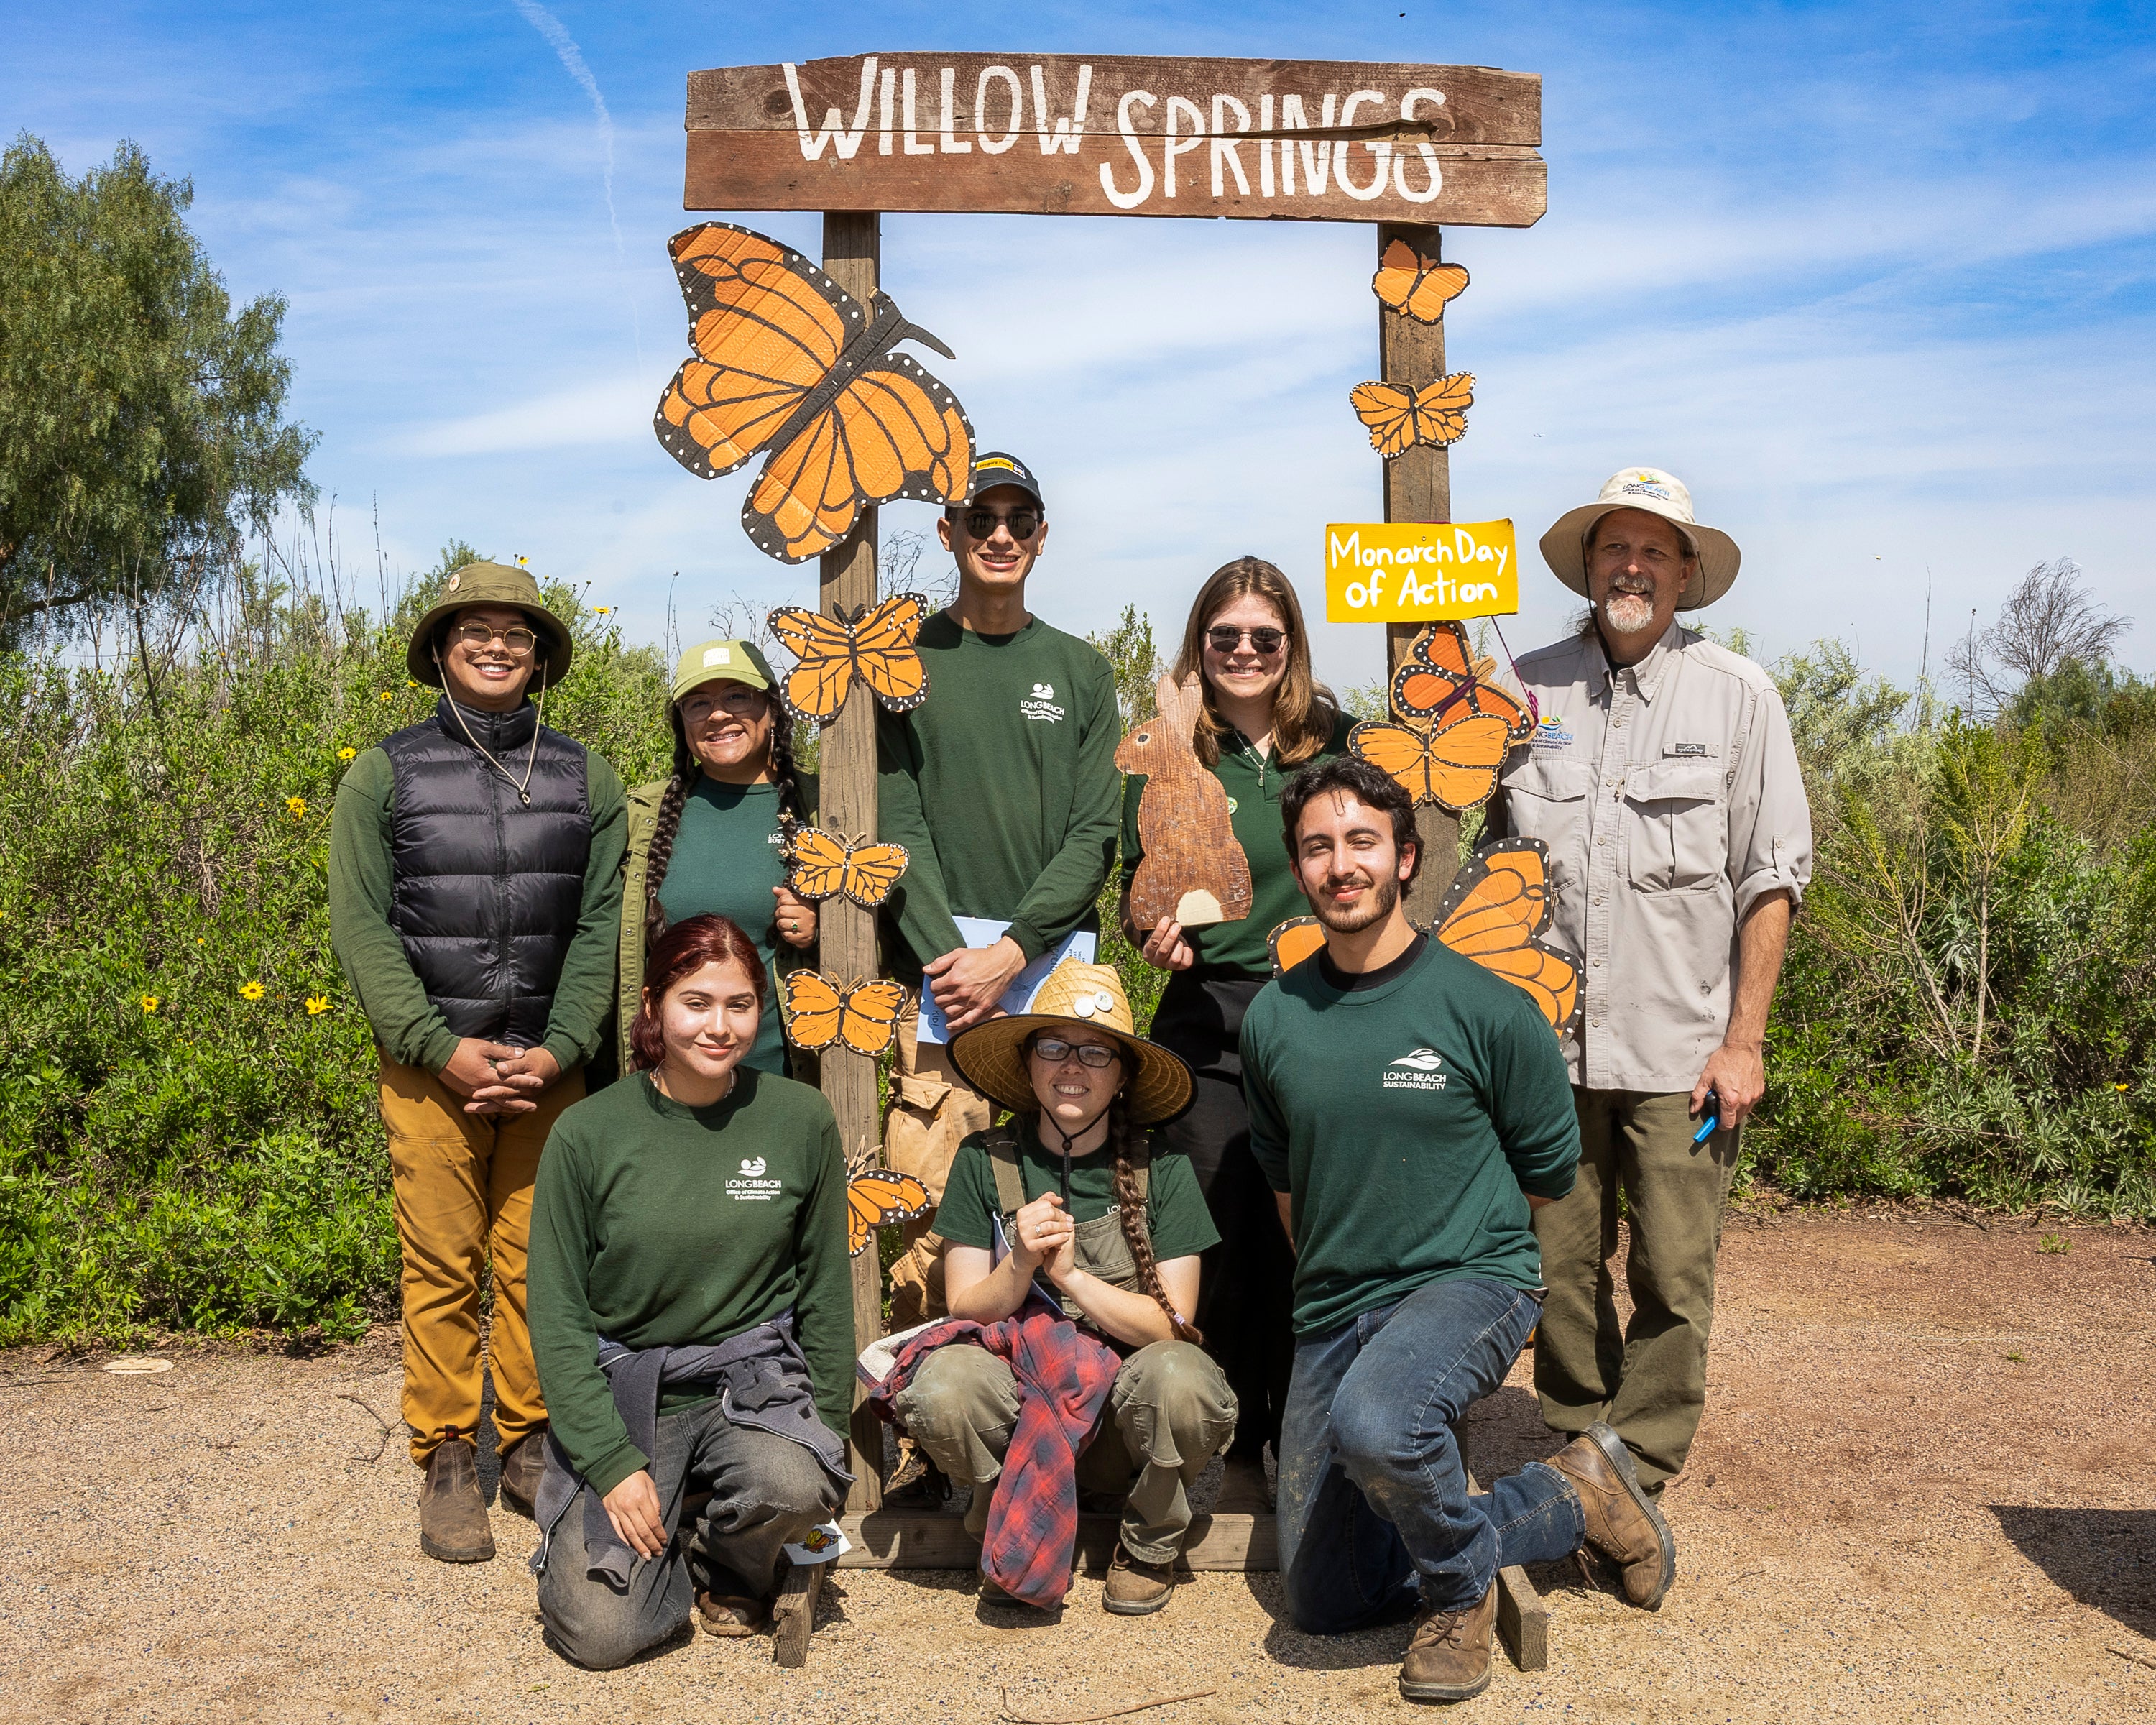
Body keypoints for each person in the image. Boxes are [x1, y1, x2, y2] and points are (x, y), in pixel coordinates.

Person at [1245, 756, 1674, 1703]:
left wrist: (1474, 1267)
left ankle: (1457, 1593)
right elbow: (1286, 1183)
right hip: (1333, 1299)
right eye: (1319, 847)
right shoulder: (1275, 1017)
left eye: (1362, 842)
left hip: (1467, 1280)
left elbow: (1547, 1177)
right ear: (1300, 867)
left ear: (1404, 858)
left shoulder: (1486, 1010)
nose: (1341, 864)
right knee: (1323, 1599)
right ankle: (1574, 1495)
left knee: (1383, 1420)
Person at [1485, 467, 1812, 1517]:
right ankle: (1583, 1439)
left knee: (1675, 1275)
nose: (1631, 567)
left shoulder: (1738, 697)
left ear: (1686, 573)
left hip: (1685, 1055)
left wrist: (1745, 1041)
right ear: (1589, 567)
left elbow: (1772, 876)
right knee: (1560, 1267)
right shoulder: (1522, 692)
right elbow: (1477, 866)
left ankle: (1638, 1469)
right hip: (1547, 1050)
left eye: (1653, 551)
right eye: (1614, 549)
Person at [330, 561, 626, 1564]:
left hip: (550, 1069)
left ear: (540, 656)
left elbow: (599, 928)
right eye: (475, 631)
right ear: (441, 652)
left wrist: (561, 1049)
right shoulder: (386, 772)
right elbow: (364, 930)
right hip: (431, 1068)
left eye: (516, 633)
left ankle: (532, 1438)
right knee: (442, 1264)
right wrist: (437, 1048)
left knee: (543, 1265)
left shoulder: (590, 777)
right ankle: (450, 1451)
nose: (496, 646)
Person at [526, 914, 852, 1667]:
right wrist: (611, 1464)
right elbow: (557, 1318)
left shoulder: (798, 1119)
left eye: (739, 1005)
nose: (719, 1025)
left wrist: (827, 1436)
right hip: (632, 1394)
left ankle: (724, 1564)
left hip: (753, 1387)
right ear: (652, 1007)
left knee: (794, 1486)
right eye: (696, 1002)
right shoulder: (586, 1133)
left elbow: (827, 1291)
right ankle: (659, 1539)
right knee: (602, 1635)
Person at [889, 961, 1235, 1615]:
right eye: (1053, 1046)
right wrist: (1018, 1263)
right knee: (943, 1385)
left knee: (1185, 1377)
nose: (1072, 1066)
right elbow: (964, 1305)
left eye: (1095, 1052)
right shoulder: (984, 1158)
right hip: (1020, 1407)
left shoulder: (1164, 1168)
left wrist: (1072, 1275)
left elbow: (1174, 1323)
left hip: (1117, 1426)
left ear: (1124, 1074)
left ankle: (1149, 1543)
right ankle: (1009, 1524)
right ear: (1028, 1064)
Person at [1117, 556, 1350, 1508]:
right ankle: (1210, 1432)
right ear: (1199, 648)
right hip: (1203, 1015)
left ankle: (1300, 1429)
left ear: (1292, 645)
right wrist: (1151, 935)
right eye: (1225, 638)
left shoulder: (1337, 744)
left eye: (1265, 636)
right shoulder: (1180, 748)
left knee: (1310, 1228)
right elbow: (1144, 885)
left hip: (1314, 1012)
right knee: (1209, 1230)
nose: (1245, 653)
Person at [877, 452, 1122, 1324]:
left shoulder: (1083, 671)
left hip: (1057, 995)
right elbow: (895, 830)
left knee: (1068, 1221)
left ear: (1043, 538)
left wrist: (1010, 953)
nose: (1001, 535)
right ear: (948, 534)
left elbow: (1096, 837)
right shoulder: (900, 665)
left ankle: (1069, 1432)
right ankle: (932, 1429)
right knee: (931, 1225)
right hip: (943, 999)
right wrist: (956, 962)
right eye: (981, 520)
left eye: (1020, 520)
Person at [616, 638, 819, 1081]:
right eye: (698, 703)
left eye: (737, 696)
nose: (719, 713)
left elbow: (881, 940)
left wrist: (826, 930)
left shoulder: (824, 807)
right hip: (665, 1085)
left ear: (772, 709)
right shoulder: (639, 817)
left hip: (785, 1082)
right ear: (682, 723)